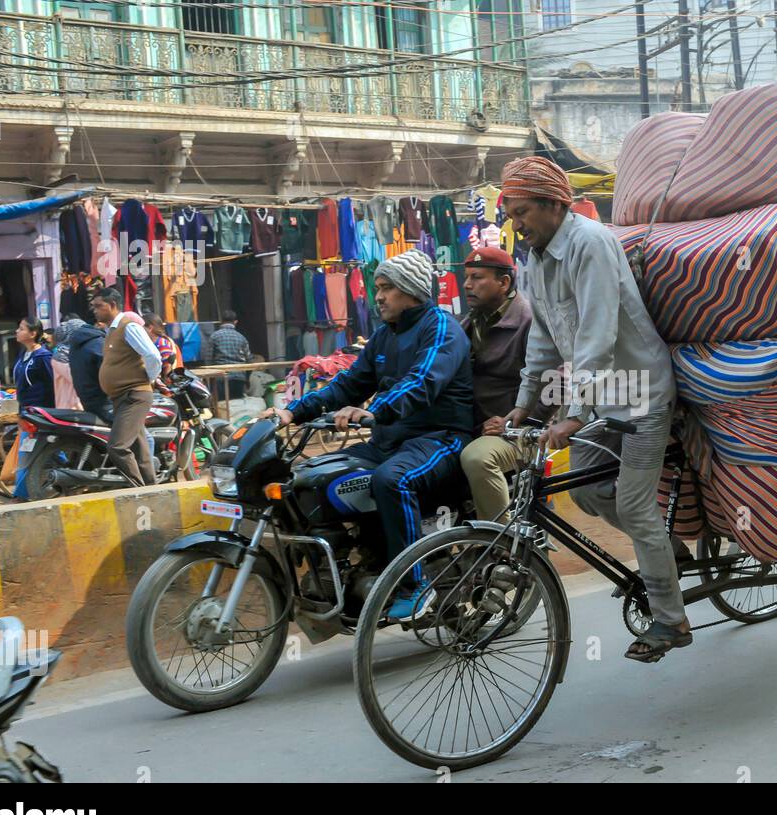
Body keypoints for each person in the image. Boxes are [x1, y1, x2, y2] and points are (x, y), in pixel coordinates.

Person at [498, 156, 684, 663]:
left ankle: (670, 619)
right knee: (586, 492)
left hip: (643, 392)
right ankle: (667, 557)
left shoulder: (591, 244)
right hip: (604, 395)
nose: (517, 225)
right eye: (511, 215)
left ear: (554, 204)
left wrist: (575, 413)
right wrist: (523, 403)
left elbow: (596, 335)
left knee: (634, 504)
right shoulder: (536, 258)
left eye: (521, 213)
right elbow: (544, 336)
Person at [262, 250, 474, 620]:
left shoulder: (440, 328)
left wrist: (374, 410)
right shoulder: (382, 337)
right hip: (390, 440)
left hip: (440, 438)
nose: (379, 296)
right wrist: (291, 411)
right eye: (378, 287)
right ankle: (357, 565)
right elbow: (347, 385)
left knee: (392, 480)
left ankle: (413, 583)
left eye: (388, 288)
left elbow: (422, 382)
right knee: (313, 477)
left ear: (412, 290)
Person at [457, 247, 553, 522]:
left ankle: (500, 544)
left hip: (520, 434)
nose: (467, 284)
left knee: (478, 458)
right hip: (476, 426)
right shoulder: (471, 322)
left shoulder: (529, 322)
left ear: (504, 282)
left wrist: (522, 421)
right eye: (466, 277)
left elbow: (558, 380)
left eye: (477, 277)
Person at [91, 289, 162, 487]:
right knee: (140, 451)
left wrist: (148, 378)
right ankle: (152, 489)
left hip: (134, 396)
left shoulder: (129, 327)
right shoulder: (111, 331)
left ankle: (137, 490)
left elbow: (153, 356)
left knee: (117, 447)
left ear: (112, 304)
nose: (94, 311)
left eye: (99, 306)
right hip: (122, 397)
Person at [69, 316, 112, 423]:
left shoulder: (75, 345)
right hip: (104, 402)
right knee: (144, 437)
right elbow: (110, 374)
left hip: (87, 401)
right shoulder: (98, 344)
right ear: (99, 324)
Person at [12, 318, 55, 411]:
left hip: (39, 412)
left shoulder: (43, 357)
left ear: (32, 334)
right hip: (24, 410)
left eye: (21, 329)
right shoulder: (23, 353)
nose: (17, 331)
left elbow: (53, 385)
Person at [210, 310, 252, 399]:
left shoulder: (214, 336)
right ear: (235, 322)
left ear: (221, 321)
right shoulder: (242, 338)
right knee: (237, 406)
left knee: (222, 406)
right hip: (239, 378)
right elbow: (249, 360)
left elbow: (208, 358)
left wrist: (210, 379)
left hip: (220, 378)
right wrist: (247, 379)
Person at [51, 316, 86, 409]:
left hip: (78, 409)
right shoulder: (60, 356)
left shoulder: (75, 352)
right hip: (69, 409)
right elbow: (78, 378)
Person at [143, 313, 183, 380]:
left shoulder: (162, 344)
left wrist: (165, 384)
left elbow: (167, 366)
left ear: (150, 328)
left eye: (141, 328)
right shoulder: (150, 343)